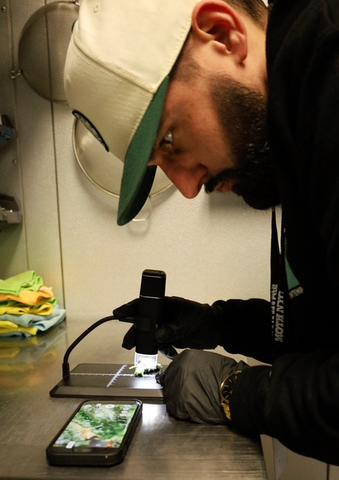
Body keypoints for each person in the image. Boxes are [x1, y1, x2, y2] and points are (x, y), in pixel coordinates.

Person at [64, 0, 339, 466]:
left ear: (223, 33)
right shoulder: (297, 115)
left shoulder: (328, 69)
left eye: (170, 139)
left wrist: (236, 391)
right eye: (162, 164)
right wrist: (220, 323)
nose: (188, 187)